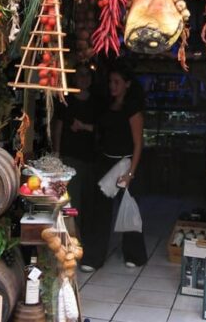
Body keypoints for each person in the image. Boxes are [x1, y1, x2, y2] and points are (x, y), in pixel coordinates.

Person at [79, 62, 148, 271]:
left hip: (126, 162)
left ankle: (135, 254)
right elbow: (101, 130)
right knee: (100, 212)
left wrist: (130, 173)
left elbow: (138, 144)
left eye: (117, 82)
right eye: (110, 82)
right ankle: (93, 257)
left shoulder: (133, 110)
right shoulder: (107, 105)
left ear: (127, 84)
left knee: (128, 209)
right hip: (106, 162)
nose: (112, 86)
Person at [52, 64, 98, 234]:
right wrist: (57, 154)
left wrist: (85, 126)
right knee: (72, 199)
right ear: (74, 78)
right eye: (80, 75)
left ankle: (85, 234)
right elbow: (58, 127)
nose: (84, 78)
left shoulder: (96, 101)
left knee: (88, 198)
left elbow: (102, 128)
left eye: (87, 75)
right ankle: (72, 234)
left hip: (91, 157)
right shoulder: (66, 99)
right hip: (70, 157)